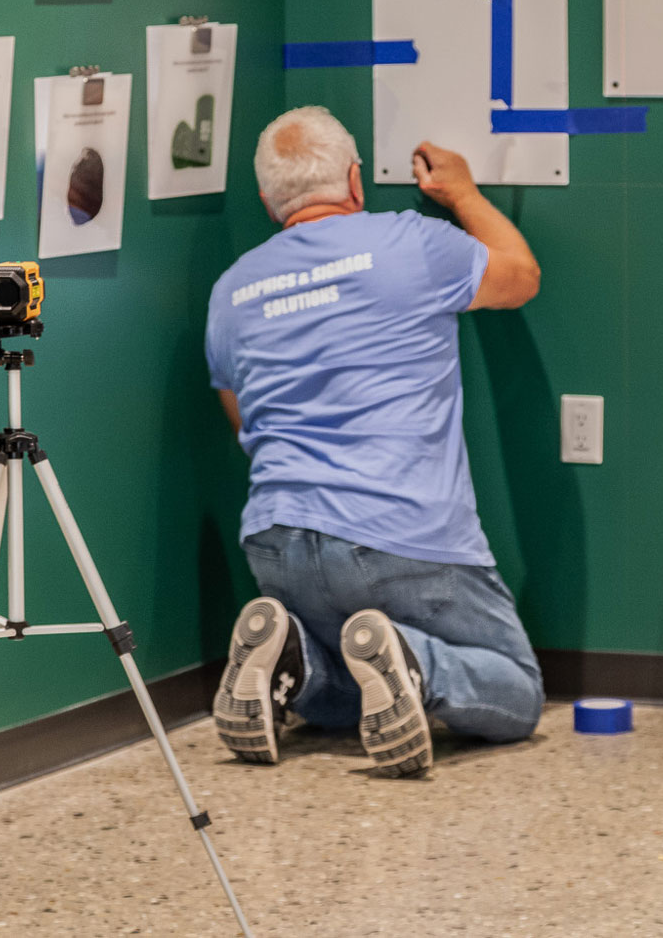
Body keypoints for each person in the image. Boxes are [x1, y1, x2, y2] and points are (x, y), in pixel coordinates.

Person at [205, 105, 544, 777]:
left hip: (278, 540)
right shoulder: (414, 243)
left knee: (340, 705)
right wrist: (465, 193)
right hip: (406, 536)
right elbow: (520, 275)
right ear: (355, 181)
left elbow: (243, 418)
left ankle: (294, 657)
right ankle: (417, 660)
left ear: (269, 200)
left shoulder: (231, 290)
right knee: (517, 691)